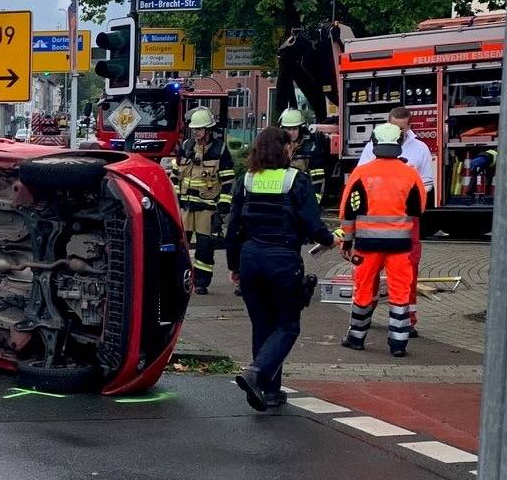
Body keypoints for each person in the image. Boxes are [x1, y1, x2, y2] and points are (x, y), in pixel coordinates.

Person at [225, 127, 335, 411]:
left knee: (262, 326)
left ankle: (269, 391)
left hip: (250, 259)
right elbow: (312, 223)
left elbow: (233, 227)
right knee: (287, 325)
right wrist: (330, 239)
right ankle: (256, 374)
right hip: (282, 261)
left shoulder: (246, 180)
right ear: (283, 149)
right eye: (289, 146)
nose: (292, 150)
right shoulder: (296, 180)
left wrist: (234, 266)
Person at [339, 123, 427, 357]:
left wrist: (346, 241)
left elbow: (348, 211)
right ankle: (398, 345)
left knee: (364, 290)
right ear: (398, 145)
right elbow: (419, 208)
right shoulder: (410, 174)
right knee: (400, 293)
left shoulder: (361, 173)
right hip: (400, 246)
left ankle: (356, 338)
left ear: (374, 144)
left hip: (367, 246)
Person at [169, 107, 235, 295]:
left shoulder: (219, 149)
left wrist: (223, 205)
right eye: (194, 129)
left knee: (205, 249)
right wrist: (175, 200)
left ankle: (201, 283)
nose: (196, 133)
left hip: (207, 208)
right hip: (186, 207)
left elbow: (228, 180)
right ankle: (179, 279)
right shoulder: (187, 146)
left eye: (199, 129)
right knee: (181, 246)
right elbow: (175, 175)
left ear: (208, 130)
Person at [356, 106, 435, 203]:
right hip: (378, 202)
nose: (397, 131)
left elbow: (427, 182)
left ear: (409, 126)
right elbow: (360, 177)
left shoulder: (421, 148)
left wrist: (411, 198)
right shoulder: (372, 146)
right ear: (388, 124)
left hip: (408, 204)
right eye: (394, 127)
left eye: (401, 128)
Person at [280, 108, 334, 201]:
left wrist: (314, 203)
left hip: (303, 193)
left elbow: (318, 178)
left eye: (295, 129)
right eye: (288, 129)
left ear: (301, 128)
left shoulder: (311, 147)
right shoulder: (277, 147)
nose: (291, 133)